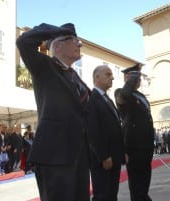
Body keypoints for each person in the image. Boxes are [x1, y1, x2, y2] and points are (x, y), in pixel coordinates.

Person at [16, 23, 91, 201]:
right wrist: (57, 30)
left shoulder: (75, 76)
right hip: (55, 155)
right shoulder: (44, 67)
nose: (79, 45)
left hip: (79, 155)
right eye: (74, 41)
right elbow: (24, 42)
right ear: (57, 45)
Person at [115, 64, 154, 201]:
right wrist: (130, 80)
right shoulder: (121, 93)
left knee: (145, 178)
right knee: (136, 181)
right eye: (135, 77)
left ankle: (143, 197)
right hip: (134, 145)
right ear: (127, 78)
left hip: (146, 145)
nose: (138, 80)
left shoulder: (141, 95)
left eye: (138, 77)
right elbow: (124, 95)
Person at [85, 65, 124, 201]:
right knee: (102, 195)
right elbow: (93, 131)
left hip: (114, 156)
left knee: (112, 194)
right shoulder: (92, 100)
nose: (112, 77)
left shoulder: (108, 99)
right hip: (103, 159)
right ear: (97, 78)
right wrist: (103, 156)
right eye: (108, 74)